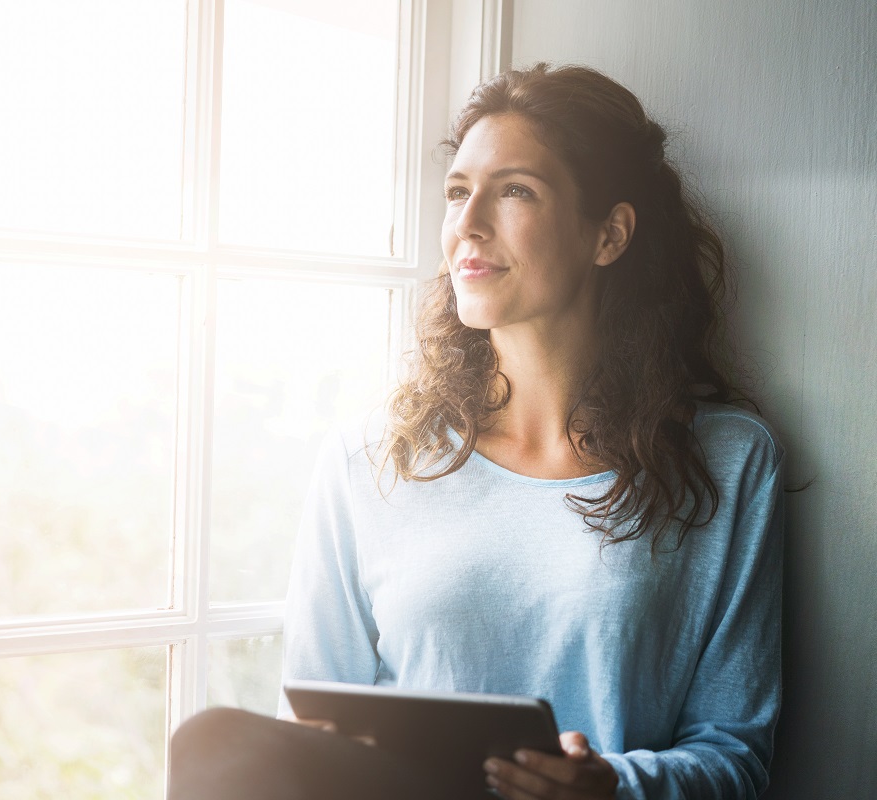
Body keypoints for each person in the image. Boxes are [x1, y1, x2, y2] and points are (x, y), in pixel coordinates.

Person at [170, 63, 783, 800]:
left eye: (515, 190)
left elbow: (736, 755)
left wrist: (610, 787)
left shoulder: (727, 460)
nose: (468, 223)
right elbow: (310, 729)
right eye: (458, 192)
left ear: (610, 235)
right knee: (216, 747)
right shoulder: (370, 462)